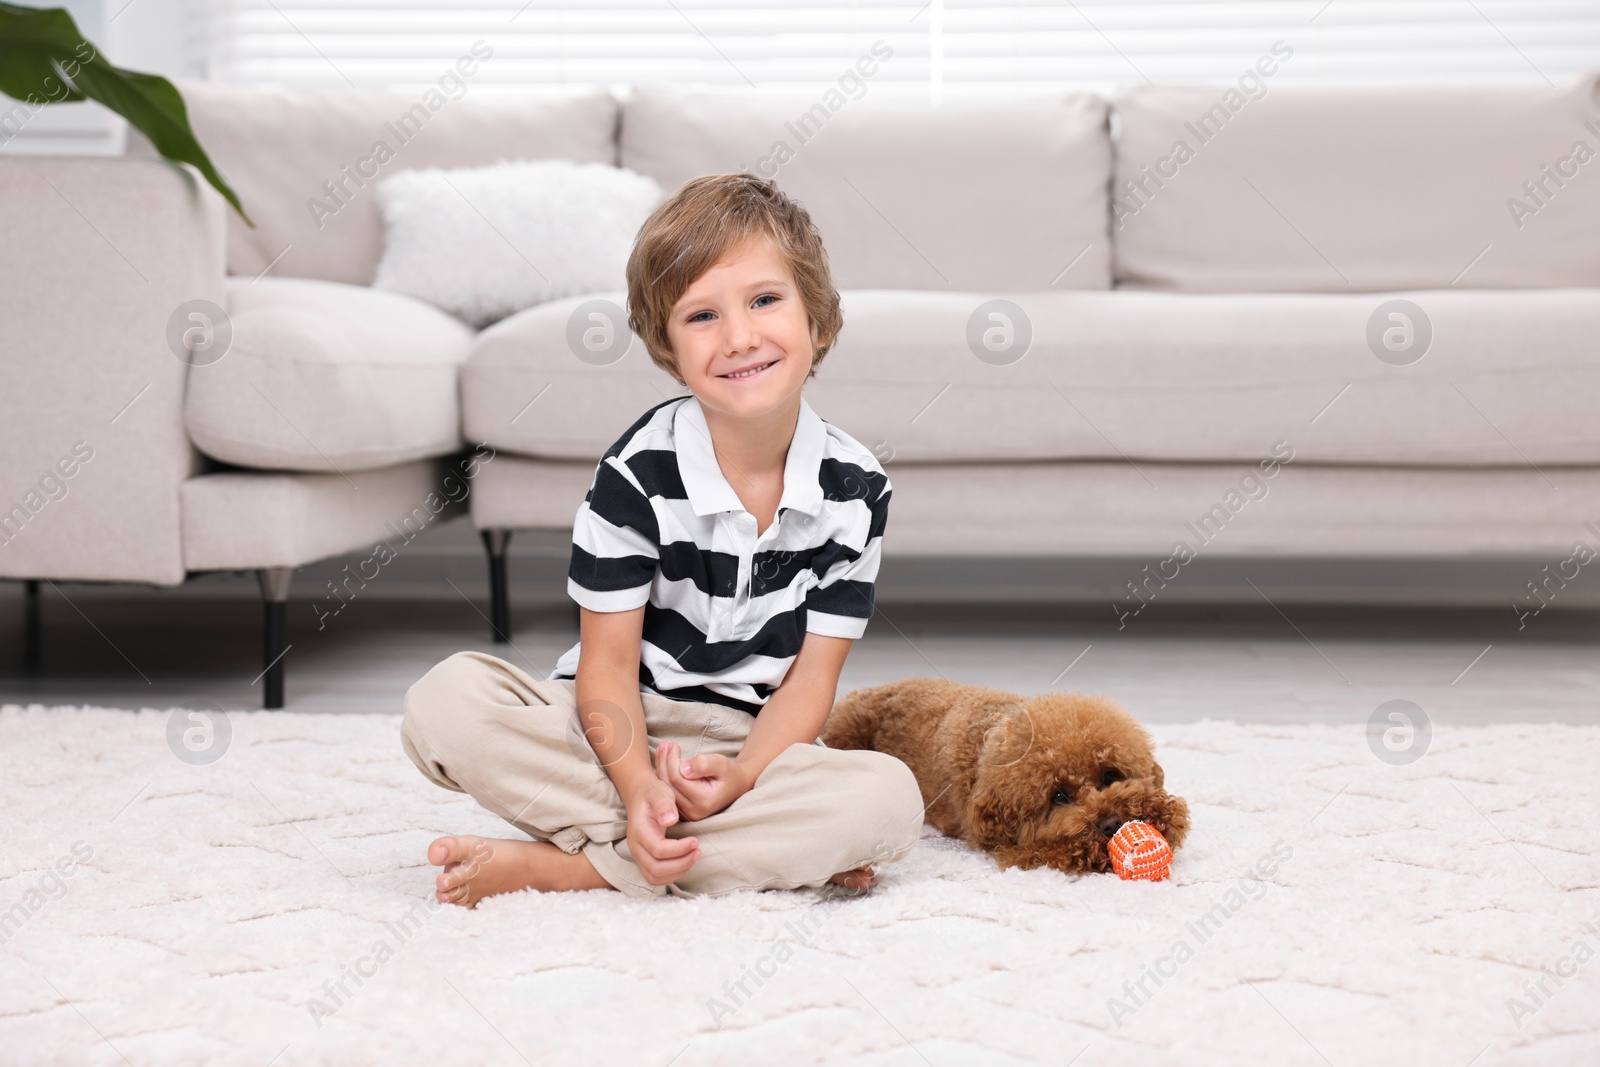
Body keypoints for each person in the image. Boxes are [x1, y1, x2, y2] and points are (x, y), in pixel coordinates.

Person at [401, 173, 925, 904]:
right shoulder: (636, 475)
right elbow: (607, 669)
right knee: (445, 703)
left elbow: (810, 682)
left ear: (820, 322)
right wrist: (640, 783)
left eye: (766, 300)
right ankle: (721, 847)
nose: (740, 336)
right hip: (613, 727)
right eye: (702, 315)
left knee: (889, 800)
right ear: (667, 349)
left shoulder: (858, 489)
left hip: (751, 746)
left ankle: (577, 867)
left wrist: (742, 776)